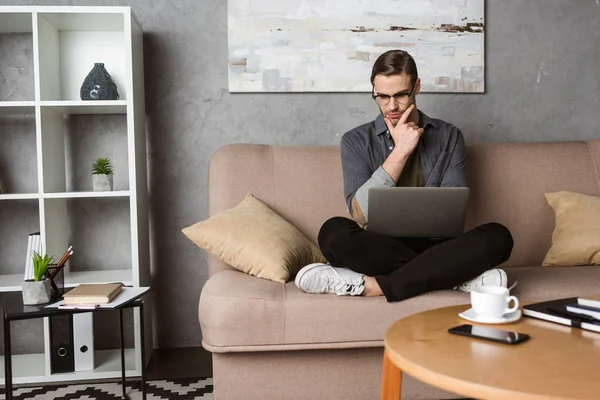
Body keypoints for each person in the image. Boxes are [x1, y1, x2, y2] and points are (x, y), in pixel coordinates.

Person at [295, 49, 514, 302]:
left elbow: (453, 209)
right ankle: (454, 277)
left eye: (400, 95)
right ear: (373, 92)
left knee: (498, 236)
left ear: (417, 86)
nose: (392, 106)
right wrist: (400, 152)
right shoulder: (355, 141)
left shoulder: (449, 135)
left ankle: (376, 285)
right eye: (382, 97)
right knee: (332, 232)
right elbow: (359, 213)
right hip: (380, 248)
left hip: (438, 246)